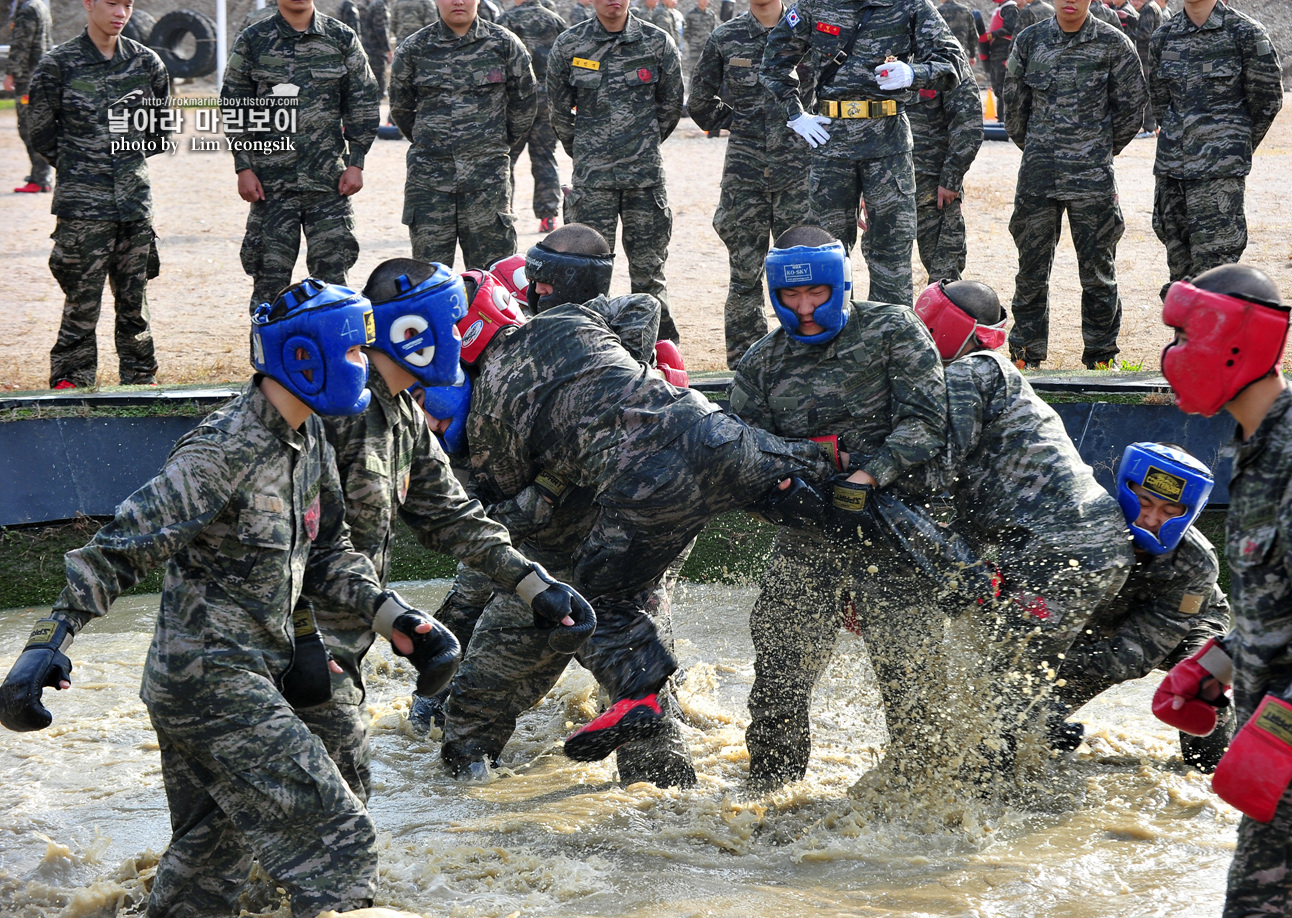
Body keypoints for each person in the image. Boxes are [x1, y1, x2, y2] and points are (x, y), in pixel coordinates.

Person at [0, 280, 463, 917]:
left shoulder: (310, 442)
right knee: (341, 842)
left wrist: (396, 618)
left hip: (247, 675)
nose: (364, 366)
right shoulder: (224, 450)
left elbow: (326, 554)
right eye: (355, 353)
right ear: (307, 357)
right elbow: (121, 545)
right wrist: (45, 646)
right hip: (207, 681)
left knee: (205, 872)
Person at [443, 223, 838, 779]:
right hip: (679, 474)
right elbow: (640, 307)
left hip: (595, 547)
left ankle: (647, 791)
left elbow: (498, 526)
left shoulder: (487, 410)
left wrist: (555, 475)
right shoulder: (578, 328)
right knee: (834, 488)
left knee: (595, 686)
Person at [297, 259, 593, 801]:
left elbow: (455, 519)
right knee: (338, 826)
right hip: (287, 652)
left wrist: (534, 586)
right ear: (412, 332)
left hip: (341, 649)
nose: (460, 341)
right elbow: (298, 549)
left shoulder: (405, 417)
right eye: (451, 327)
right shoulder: (331, 416)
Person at [1155, 263, 1292, 918]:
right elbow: (1288, 596)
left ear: (1233, 341)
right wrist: (1219, 661)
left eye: (1184, 338)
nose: (1172, 357)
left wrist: (1279, 726)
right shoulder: (1259, 447)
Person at [729, 226, 952, 791]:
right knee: (779, 678)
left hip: (893, 534)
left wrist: (866, 475)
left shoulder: (892, 330)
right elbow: (746, 456)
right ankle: (768, 799)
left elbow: (927, 421)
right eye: (790, 298)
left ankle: (923, 805)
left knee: (913, 681)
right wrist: (801, 480)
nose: (804, 310)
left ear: (841, 285)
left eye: (817, 296)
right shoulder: (761, 362)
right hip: (807, 540)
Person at [912, 277, 1134, 781]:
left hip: (1060, 555)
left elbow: (933, 478)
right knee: (1013, 679)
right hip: (1074, 550)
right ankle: (1035, 757)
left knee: (999, 694)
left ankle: (983, 814)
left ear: (945, 330)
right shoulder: (996, 376)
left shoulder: (972, 372)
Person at [760, 0, 969, 307]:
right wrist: (795, 115)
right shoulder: (814, 5)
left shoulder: (909, 5)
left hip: (889, 145)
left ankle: (892, 341)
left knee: (892, 254)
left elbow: (952, 63)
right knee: (827, 254)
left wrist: (913, 73)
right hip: (830, 145)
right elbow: (774, 62)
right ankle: (835, 343)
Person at [1054, 442, 1233, 773]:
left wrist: (1054, 675)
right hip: (1099, 618)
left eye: (1169, 511)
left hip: (1185, 626)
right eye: (1144, 502)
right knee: (1029, 717)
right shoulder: (1079, 526)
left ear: (1188, 513)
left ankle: (1208, 776)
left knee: (1202, 687)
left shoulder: (1197, 562)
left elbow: (1130, 656)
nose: (1150, 518)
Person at [28, 0, 167, 389]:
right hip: (81, 206)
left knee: (134, 301)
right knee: (81, 297)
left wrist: (123, 164)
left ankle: (140, 374)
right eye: (111, 2)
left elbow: (158, 132)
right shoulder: (59, 64)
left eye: (128, 3)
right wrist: (80, 165)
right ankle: (72, 376)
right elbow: (39, 129)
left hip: (134, 203)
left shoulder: (147, 63)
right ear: (88, 4)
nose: (120, 11)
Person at [1003, 0, 1146, 368]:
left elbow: (1132, 109)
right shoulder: (1030, 40)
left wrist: (1097, 149)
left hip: (1092, 179)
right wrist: (1037, 147)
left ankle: (1101, 359)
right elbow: (1014, 106)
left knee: (1098, 274)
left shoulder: (1114, 44)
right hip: (1038, 177)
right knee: (1031, 271)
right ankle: (1025, 357)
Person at [222, 0, 379, 310]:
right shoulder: (254, 39)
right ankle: (266, 355)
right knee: (269, 284)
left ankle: (333, 357)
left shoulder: (340, 37)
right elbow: (235, 105)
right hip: (271, 187)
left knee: (333, 285)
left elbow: (363, 100)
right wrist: (244, 167)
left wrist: (356, 162)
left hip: (328, 186)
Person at [548, 0, 684, 343]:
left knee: (649, 274)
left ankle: (658, 353)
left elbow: (670, 105)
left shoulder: (656, 42)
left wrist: (642, 146)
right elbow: (560, 111)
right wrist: (586, 152)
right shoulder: (569, 44)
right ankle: (584, 349)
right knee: (584, 275)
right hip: (593, 182)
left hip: (645, 180)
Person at [687, 0, 811, 368]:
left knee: (805, 272)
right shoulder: (726, 37)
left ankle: (807, 361)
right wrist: (740, 123)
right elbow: (698, 100)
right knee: (744, 275)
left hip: (800, 173)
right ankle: (746, 366)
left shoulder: (808, 34)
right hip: (745, 176)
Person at [1147, 0, 1281, 299]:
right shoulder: (1164, 36)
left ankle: (1219, 345)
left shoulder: (1244, 33)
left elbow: (1267, 100)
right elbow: (1160, 103)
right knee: (1180, 279)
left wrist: (1228, 149)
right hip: (1172, 175)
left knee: (1217, 279)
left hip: (1218, 180)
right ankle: (1187, 345)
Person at [390, 0, 536, 270]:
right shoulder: (414, 48)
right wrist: (432, 143)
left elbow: (524, 103)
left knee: (492, 276)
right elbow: (401, 107)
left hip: (486, 181)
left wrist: (492, 144)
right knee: (428, 279)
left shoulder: (504, 44)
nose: (458, 1)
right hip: (429, 182)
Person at [863, 67, 981, 284]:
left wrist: (951, 180)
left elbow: (968, 126)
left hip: (933, 191)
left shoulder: (946, 59)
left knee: (945, 277)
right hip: (883, 187)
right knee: (885, 278)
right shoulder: (878, 52)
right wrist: (863, 187)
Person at [499, 0, 568, 234]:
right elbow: (566, 59)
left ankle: (503, 210)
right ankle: (548, 215)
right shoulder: (555, 19)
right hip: (548, 98)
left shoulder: (506, 20)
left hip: (516, 99)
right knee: (545, 158)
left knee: (505, 159)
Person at [6, 0, 52, 194]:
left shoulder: (27, 9)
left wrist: (11, 73)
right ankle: (40, 174)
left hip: (28, 79)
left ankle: (40, 179)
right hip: (40, 74)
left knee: (29, 128)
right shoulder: (40, 6)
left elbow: (21, 45)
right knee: (37, 125)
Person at [1126, 0, 1160, 135]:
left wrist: (1126, 37)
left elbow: (1145, 33)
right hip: (1150, 56)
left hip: (1147, 56)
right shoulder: (1152, 7)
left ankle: (1150, 126)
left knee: (1147, 90)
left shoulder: (1148, 8)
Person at [984, 0, 1019, 120]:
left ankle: (1006, 118)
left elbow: (1010, 27)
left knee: (1004, 86)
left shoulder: (1010, 8)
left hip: (1004, 51)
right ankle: (1001, 117)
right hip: (995, 52)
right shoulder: (1001, 8)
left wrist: (992, 34)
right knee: (997, 87)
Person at [361, 0, 392, 99]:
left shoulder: (376, 3)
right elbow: (381, 28)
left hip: (371, 49)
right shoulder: (379, 4)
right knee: (377, 88)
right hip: (375, 51)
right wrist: (388, 50)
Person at [681, 0, 719, 73]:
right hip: (695, 46)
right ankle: (691, 84)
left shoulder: (711, 14)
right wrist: (691, 41)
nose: (705, 1)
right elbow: (685, 29)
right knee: (694, 69)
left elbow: (714, 29)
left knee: (707, 69)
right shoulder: (690, 14)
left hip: (707, 46)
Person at [938, 0, 980, 64]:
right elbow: (973, 35)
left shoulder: (938, 12)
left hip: (943, 57)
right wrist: (972, 55)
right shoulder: (965, 11)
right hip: (961, 55)